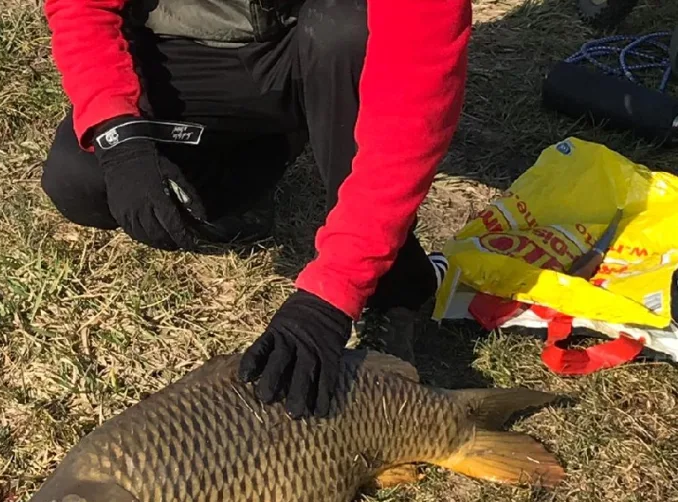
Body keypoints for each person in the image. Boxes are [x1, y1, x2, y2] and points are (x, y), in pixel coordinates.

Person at [40, 0, 471, 419]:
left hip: (315, 46)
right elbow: (82, 8)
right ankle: (263, 159)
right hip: (185, 53)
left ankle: (393, 288)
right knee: (80, 180)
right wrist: (120, 137)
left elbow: (413, 97)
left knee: (345, 29)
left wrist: (336, 291)